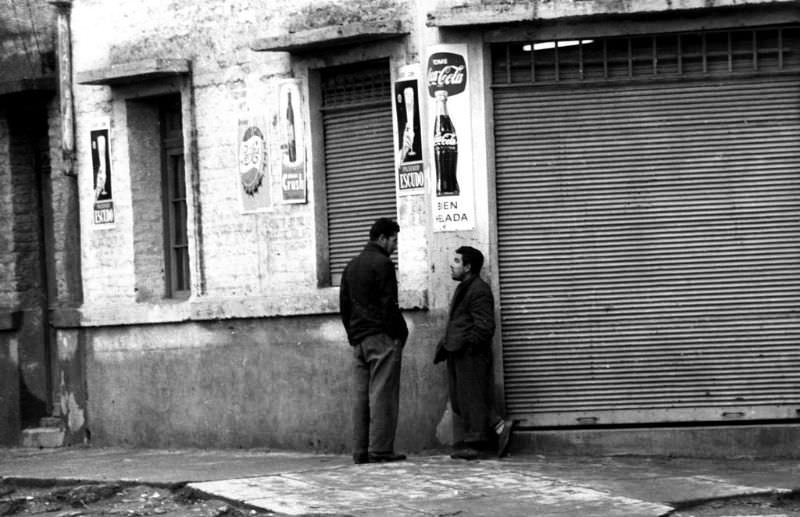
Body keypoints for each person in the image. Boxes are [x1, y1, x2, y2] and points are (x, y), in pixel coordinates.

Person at [434, 246, 514, 459]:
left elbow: (484, 326)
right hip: (460, 352)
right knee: (463, 399)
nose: (452, 264)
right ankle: (499, 427)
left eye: (457, 261)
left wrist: (469, 347)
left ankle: (476, 444)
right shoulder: (466, 287)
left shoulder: (478, 289)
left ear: (468, 267)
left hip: (471, 354)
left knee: (472, 398)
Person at [340, 217, 409, 464]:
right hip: (381, 337)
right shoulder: (383, 264)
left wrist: (353, 334)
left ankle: (360, 451)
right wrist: (399, 334)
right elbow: (388, 304)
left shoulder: (351, 266)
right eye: (393, 240)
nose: (395, 246)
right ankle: (380, 450)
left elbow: (344, 306)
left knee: (361, 397)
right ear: (382, 238)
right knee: (383, 395)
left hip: (359, 340)